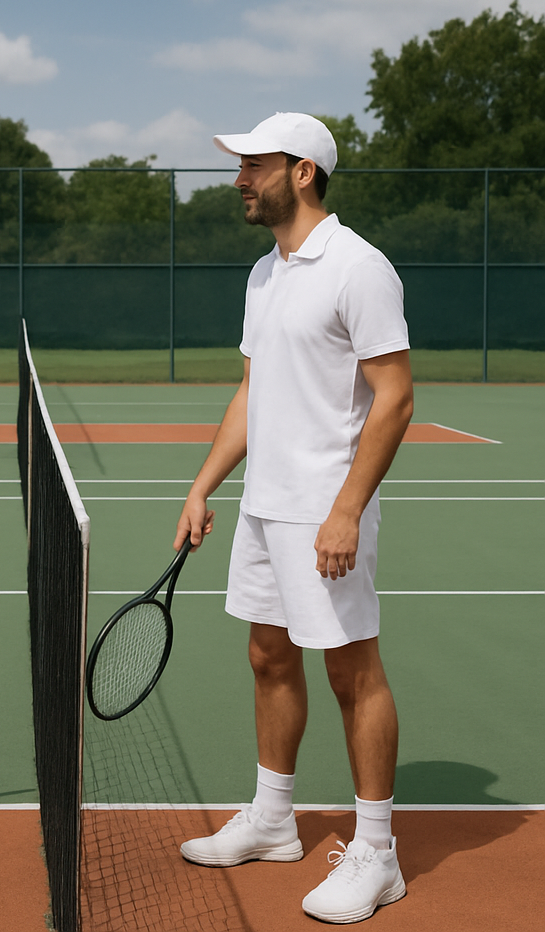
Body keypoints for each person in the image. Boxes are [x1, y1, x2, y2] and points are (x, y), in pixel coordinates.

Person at [174, 114, 413, 924]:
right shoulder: (264, 274)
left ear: (302, 171)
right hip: (263, 506)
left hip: (324, 512)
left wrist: (347, 509)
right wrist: (204, 485)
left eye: (253, 164)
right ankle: (274, 820)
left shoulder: (358, 267)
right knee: (268, 655)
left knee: (353, 672)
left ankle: (377, 854)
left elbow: (396, 396)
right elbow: (251, 392)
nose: (239, 179)